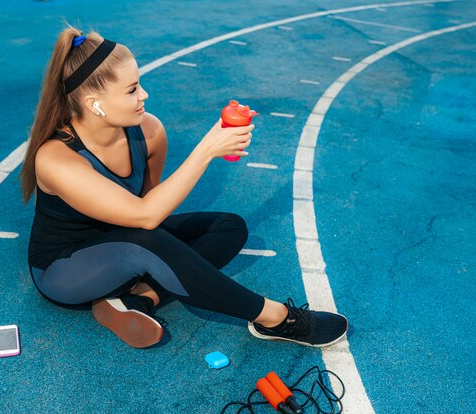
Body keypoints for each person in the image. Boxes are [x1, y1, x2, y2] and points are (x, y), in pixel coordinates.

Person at [19, 26, 348, 349]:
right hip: (66, 272)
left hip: (128, 241)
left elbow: (153, 205)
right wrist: (206, 150)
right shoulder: (56, 159)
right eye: (132, 89)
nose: (144, 95)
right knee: (146, 238)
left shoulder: (148, 131)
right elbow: (145, 217)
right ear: (95, 103)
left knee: (230, 226)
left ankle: (138, 299)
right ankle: (274, 317)